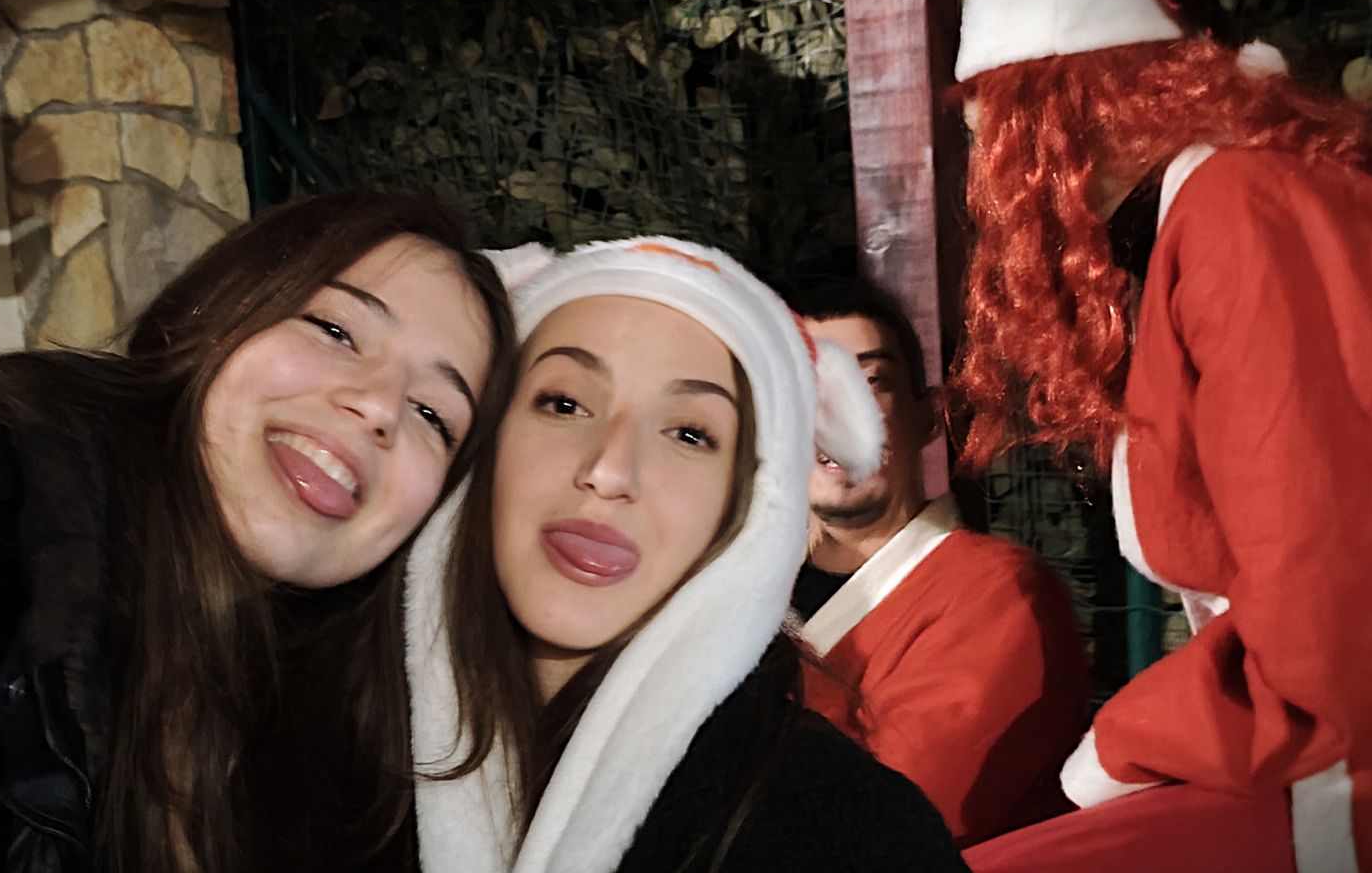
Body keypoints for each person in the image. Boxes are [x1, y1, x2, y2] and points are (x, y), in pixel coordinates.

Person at [0, 191, 518, 873]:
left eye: (434, 415)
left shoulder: (350, 732)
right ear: (214, 312)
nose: (380, 407)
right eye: (335, 330)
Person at [949, 0, 1372, 870]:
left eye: (985, 109)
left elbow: (1321, 594)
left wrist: (1119, 749)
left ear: (1053, 110)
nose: (976, 142)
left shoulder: (1237, 207)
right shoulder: (1242, 196)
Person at [405, 237, 968, 872]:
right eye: (564, 404)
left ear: (752, 506)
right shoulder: (327, 744)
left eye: (690, 434)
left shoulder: (859, 835)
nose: (610, 471)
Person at [782, 274, 1090, 846]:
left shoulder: (998, 591)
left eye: (870, 383)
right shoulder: (747, 595)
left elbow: (885, 831)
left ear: (928, 417)